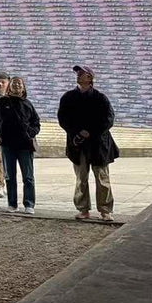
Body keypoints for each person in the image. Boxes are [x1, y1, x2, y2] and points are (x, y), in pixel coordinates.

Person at [57, 64, 119, 221]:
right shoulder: (68, 98)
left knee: (102, 178)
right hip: (78, 144)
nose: (78, 75)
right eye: (77, 73)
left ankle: (105, 210)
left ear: (90, 78)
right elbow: (63, 119)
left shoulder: (100, 98)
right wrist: (77, 132)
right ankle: (83, 209)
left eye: (82, 73)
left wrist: (90, 132)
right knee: (81, 178)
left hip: (98, 145)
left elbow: (108, 119)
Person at [0, 76, 41, 214]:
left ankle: (29, 204)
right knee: (9, 176)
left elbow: (36, 123)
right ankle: (12, 204)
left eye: (19, 83)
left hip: (25, 146)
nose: (17, 85)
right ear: (9, 86)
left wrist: (30, 133)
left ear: (23, 87)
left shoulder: (28, 104)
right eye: (14, 83)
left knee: (28, 177)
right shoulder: (1, 102)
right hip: (7, 146)